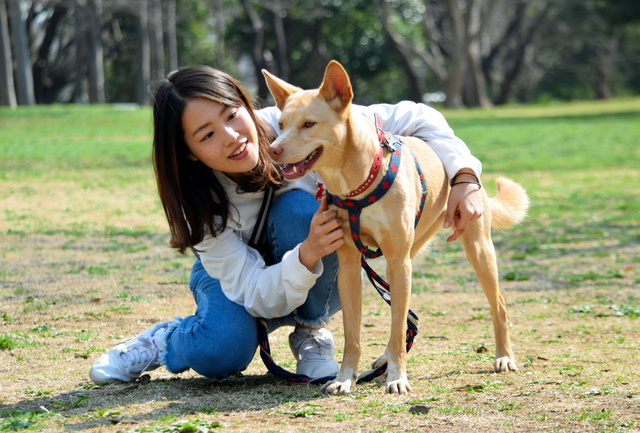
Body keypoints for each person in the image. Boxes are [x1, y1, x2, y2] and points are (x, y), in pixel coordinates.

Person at [88, 65, 484, 385]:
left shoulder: (299, 120)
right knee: (223, 349)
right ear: (189, 153)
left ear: (245, 105)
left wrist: (464, 177)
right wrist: (308, 251)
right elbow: (255, 293)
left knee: (303, 209)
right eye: (207, 135)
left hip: (315, 272)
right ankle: (165, 341)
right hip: (244, 283)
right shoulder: (202, 206)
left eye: (231, 115)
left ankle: (311, 330)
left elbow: (420, 117)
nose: (231, 137)